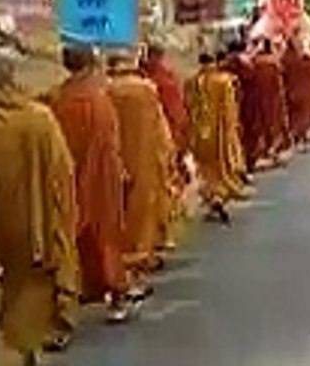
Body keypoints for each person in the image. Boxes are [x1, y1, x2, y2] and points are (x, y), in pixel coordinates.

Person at [0, 50, 79, 364]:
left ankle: (21, 341)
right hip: (40, 218)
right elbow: (62, 172)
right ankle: (31, 342)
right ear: (17, 74)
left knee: (13, 277)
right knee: (36, 280)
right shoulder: (39, 118)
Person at [48, 45, 134, 323]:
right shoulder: (99, 101)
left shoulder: (58, 100)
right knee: (106, 235)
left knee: (76, 236)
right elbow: (110, 144)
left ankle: (80, 290)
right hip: (101, 179)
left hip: (69, 178)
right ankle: (116, 294)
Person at [107, 52, 176, 272]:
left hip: (116, 157)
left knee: (121, 205)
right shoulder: (146, 89)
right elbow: (160, 126)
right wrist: (167, 152)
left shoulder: (106, 91)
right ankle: (142, 251)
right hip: (144, 155)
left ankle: (122, 253)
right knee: (144, 203)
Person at [185, 54, 249, 224]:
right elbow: (229, 111)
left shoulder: (191, 83)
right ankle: (218, 198)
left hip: (199, 134)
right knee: (220, 168)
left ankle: (211, 198)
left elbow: (189, 107)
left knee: (205, 169)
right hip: (218, 134)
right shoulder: (223, 82)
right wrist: (233, 130)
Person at [223, 41, 263, 172]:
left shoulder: (225, 67)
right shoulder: (246, 64)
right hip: (246, 104)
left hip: (232, 105)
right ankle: (246, 161)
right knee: (247, 131)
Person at [253, 39, 292, 164]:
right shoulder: (274, 62)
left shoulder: (254, 62)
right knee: (274, 124)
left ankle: (263, 151)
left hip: (259, 99)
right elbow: (280, 80)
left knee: (261, 124)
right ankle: (273, 150)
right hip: (274, 98)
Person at [282, 37, 310, 144]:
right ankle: (301, 134)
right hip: (301, 91)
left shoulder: (285, 59)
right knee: (301, 114)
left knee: (296, 115)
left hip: (292, 91)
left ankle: (297, 134)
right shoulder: (305, 60)